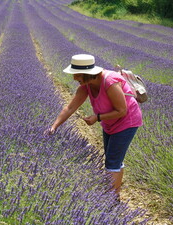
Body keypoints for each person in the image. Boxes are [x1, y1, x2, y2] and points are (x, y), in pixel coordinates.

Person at [46, 54, 142, 199]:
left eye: (76, 75)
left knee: (112, 161)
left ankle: (111, 201)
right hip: (109, 122)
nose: (73, 78)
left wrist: (96, 118)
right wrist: (54, 126)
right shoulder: (86, 85)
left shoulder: (109, 82)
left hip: (127, 122)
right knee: (114, 158)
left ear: (86, 74)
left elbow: (122, 111)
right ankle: (115, 194)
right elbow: (70, 108)